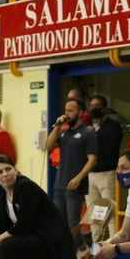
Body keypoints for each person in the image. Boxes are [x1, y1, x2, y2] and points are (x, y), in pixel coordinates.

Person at [46, 97, 98, 238]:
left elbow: (92, 160)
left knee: (72, 223)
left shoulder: (87, 134)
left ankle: (74, 254)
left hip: (75, 185)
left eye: (70, 110)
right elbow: (49, 146)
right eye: (65, 110)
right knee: (57, 221)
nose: (66, 113)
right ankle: (76, 250)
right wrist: (57, 126)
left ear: (80, 112)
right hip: (60, 184)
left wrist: (78, 178)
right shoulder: (63, 132)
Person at [87, 95, 123, 236]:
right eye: (92, 105)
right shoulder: (86, 126)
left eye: (98, 105)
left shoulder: (113, 126)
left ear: (105, 108)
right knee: (94, 213)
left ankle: (113, 245)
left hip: (106, 173)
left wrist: (95, 136)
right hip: (89, 173)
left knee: (110, 211)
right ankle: (97, 246)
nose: (94, 108)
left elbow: (112, 149)